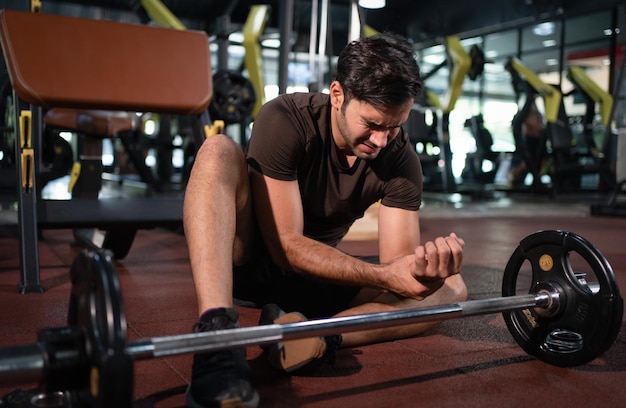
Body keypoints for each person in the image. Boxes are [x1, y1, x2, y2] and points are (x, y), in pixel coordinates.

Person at [183, 33, 467, 408]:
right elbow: (286, 246)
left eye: (394, 127)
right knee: (217, 149)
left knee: (452, 288)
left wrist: (423, 273)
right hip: (249, 263)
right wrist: (386, 275)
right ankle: (216, 340)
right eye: (372, 124)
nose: (382, 140)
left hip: (316, 282)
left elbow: (399, 273)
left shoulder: (399, 159)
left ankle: (316, 338)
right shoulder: (285, 118)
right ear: (337, 95)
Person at [508, 98, 546, 186]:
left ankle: (537, 181)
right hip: (529, 141)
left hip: (537, 141)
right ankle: (513, 176)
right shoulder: (526, 114)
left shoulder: (537, 114)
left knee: (540, 160)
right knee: (526, 163)